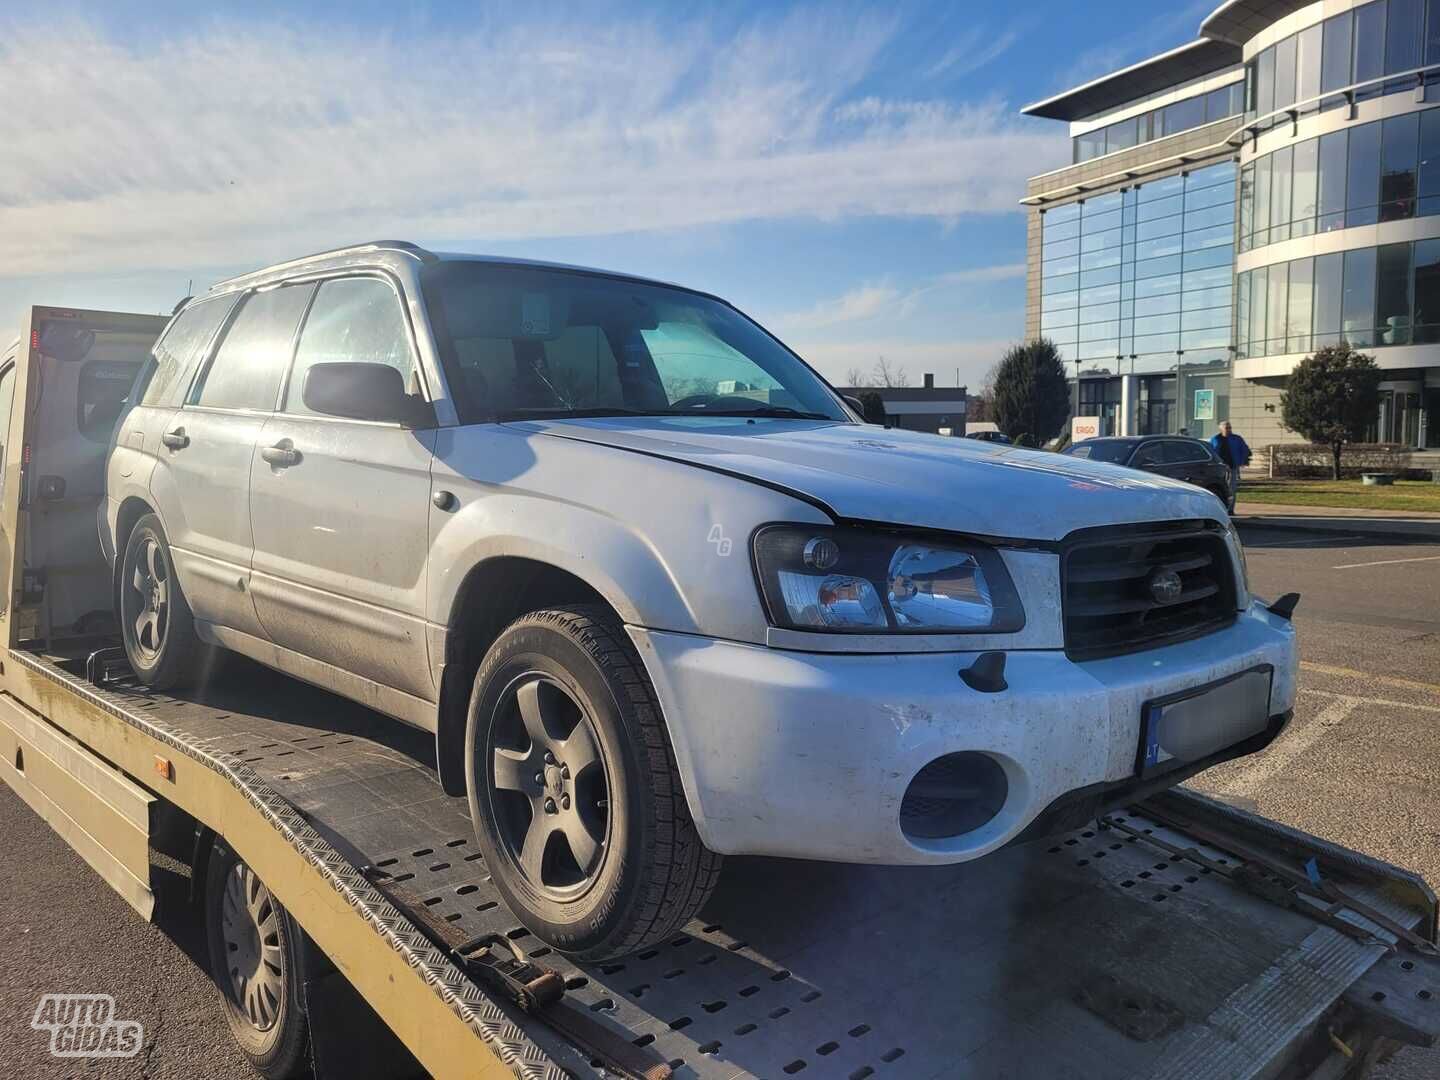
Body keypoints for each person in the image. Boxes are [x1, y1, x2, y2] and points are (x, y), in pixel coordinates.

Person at [1210, 420, 1251, 501]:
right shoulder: (1215, 439)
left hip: (1232, 466)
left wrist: (1242, 461)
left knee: (1231, 488)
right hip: (1220, 467)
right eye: (1227, 428)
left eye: (1230, 427)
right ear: (1221, 429)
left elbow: (1245, 450)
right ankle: (1222, 506)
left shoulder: (1236, 438)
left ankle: (1230, 509)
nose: (1229, 429)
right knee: (1220, 488)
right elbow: (1211, 451)